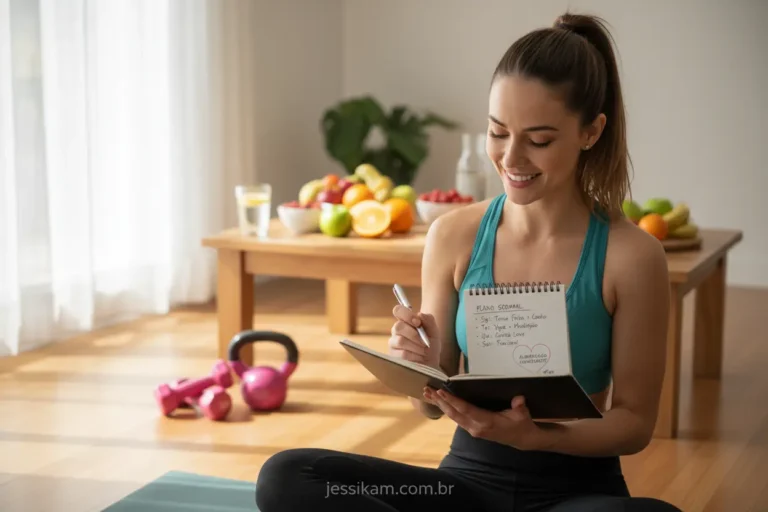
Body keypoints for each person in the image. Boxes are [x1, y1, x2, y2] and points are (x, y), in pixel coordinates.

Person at [255, 12, 682, 512]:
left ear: (591, 132)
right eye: (498, 132)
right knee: (287, 475)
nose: (511, 159)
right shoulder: (453, 235)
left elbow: (634, 424)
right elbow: (428, 406)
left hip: (577, 492)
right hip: (465, 488)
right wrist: (419, 366)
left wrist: (539, 439)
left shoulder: (632, 256)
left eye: (539, 140)